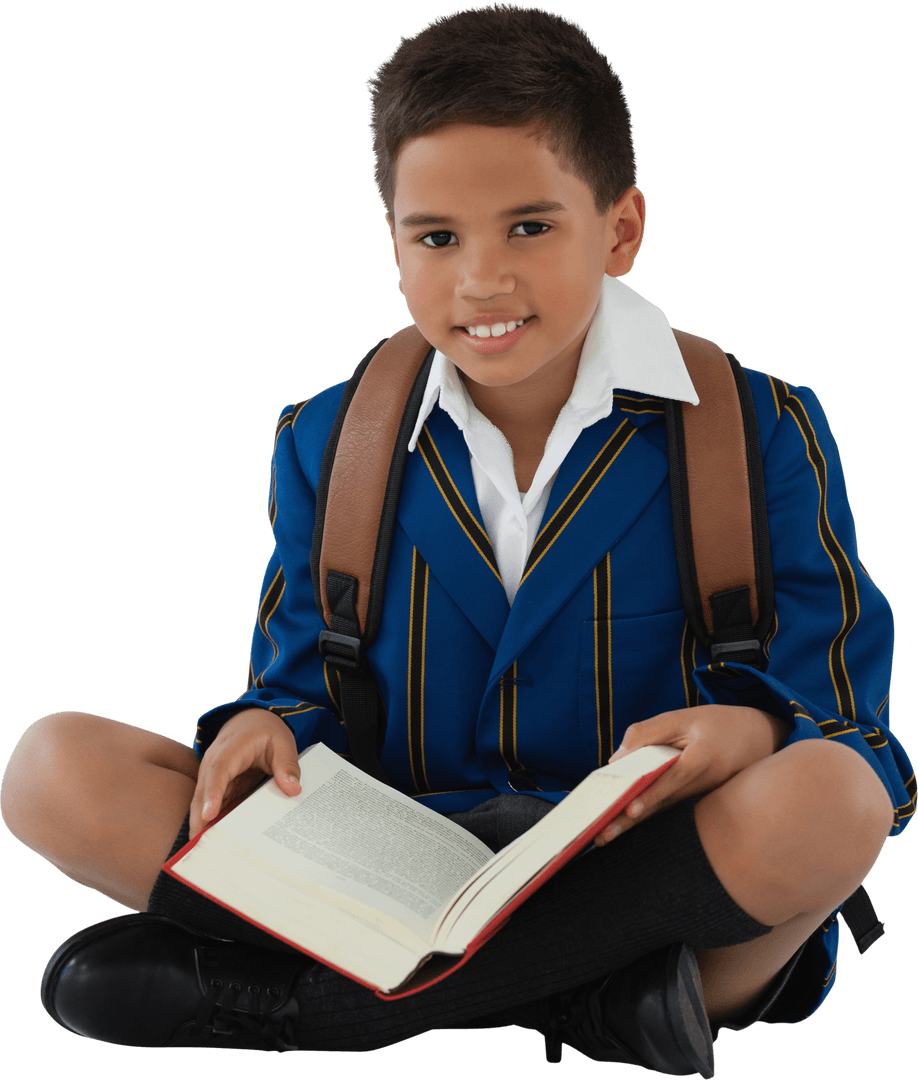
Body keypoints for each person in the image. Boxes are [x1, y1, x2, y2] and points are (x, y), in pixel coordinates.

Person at [1, 4, 913, 1072]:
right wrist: (265, 724)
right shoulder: (328, 439)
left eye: (530, 226)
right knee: (52, 769)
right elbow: (304, 679)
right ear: (392, 241)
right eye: (438, 237)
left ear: (619, 229)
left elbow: (856, 734)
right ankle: (587, 1002)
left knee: (835, 798)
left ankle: (322, 1013)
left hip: (653, 883)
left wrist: (752, 735)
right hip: (395, 866)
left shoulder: (757, 429)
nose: (481, 279)